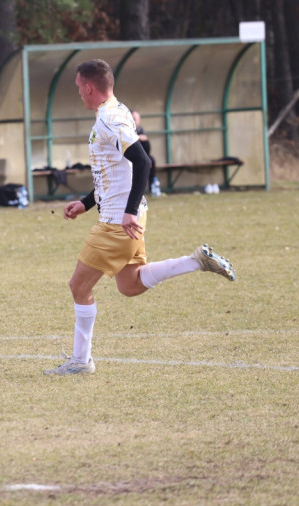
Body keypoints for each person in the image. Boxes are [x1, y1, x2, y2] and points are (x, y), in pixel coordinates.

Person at [46, 59, 236, 376]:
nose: (78, 92)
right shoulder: (117, 110)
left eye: (79, 87)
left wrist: (129, 211)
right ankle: (196, 261)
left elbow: (143, 162)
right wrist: (85, 203)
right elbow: (116, 172)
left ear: (89, 87)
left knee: (79, 286)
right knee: (130, 285)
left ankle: (80, 361)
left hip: (117, 221)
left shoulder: (109, 119)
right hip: (124, 215)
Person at [132, 110, 161, 197]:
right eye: (133, 118)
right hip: (131, 157)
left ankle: (153, 187)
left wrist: (144, 140)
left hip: (141, 156)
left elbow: (147, 148)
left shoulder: (140, 130)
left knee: (151, 160)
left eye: (135, 119)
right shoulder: (128, 130)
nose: (134, 121)